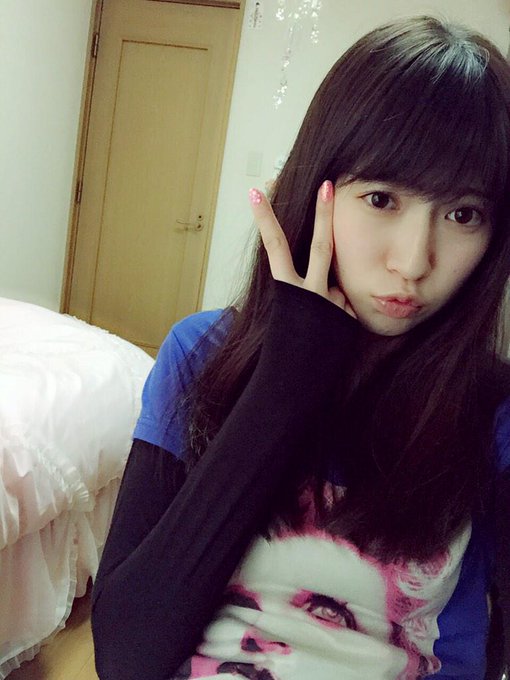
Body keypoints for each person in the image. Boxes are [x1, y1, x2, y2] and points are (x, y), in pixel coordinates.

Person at [91, 15, 510, 680]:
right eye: (381, 199)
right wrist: (285, 382)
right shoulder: (201, 353)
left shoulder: (492, 409)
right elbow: (125, 657)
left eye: (463, 214)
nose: (413, 261)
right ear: (318, 192)